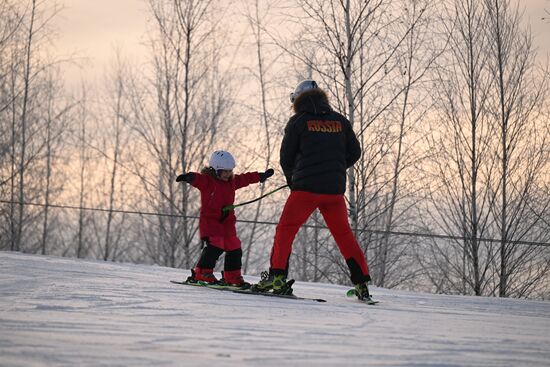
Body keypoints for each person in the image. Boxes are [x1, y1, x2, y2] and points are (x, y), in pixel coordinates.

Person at [253, 79, 372, 300]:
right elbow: (355, 152)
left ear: (298, 100)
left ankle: (277, 277)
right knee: (344, 235)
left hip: (305, 190)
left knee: (286, 230)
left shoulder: (298, 121)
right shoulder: (340, 121)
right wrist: (333, 169)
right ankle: (361, 283)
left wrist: (293, 178)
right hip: (334, 191)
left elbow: (286, 157)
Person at [176, 150, 274, 287]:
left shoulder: (231, 182)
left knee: (234, 246)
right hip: (211, 222)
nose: (228, 174)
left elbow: (244, 179)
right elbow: (199, 179)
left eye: (230, 171)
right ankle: (202, 272)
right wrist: (189, 177)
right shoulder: (208, 182)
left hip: (227, 222)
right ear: (215, 170)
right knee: (216, 244)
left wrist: (260, 176)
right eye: (224, 171)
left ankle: (232, 276)